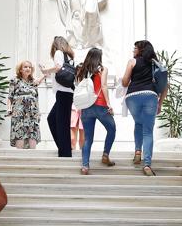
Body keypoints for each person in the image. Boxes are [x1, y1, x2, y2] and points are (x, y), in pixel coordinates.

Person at [120, 39, 164, 176]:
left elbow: (125, 81)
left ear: (141, 49)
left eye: (135, 48)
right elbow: (165, 86)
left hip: (132, 96)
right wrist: (160, 103)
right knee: (148, 131)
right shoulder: (157, 64)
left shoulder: (132, 62)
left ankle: (138, 152)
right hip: (150, 95)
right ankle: (147, 165)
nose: (133, 50)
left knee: (138, 123)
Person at [75, 47, 116, 175]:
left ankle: (85, 166)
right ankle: (105, 154)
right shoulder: (102, 69)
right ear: (99, 57)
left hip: (86, 107)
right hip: (100, 105)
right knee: (112, 129)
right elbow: (103, 86)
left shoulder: (81, 70)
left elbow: (79, 87)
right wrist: (108, 104)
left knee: (88, 138)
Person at [42, 36, 76, 157]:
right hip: (68, 92)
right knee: (53, 119)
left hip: (62, 92)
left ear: (56, 44)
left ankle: (65, 152)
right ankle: (65, 148)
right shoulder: (70, 56)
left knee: (60, 122)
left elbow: (57, 67)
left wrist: (46, 70)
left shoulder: (58, 52)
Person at [7, 60, 44, 149]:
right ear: (20, 70)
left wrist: (38, 112)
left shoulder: (33, 82)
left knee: (33, 133)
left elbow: (36, 98)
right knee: (20, 132)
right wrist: (9, 108)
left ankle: (32, 157)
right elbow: (10, 97)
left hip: (32, 112)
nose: (28, 68)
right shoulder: (15, 80)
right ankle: (19, 157)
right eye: (25, 67)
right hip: (19, 111)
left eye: (29, 67)